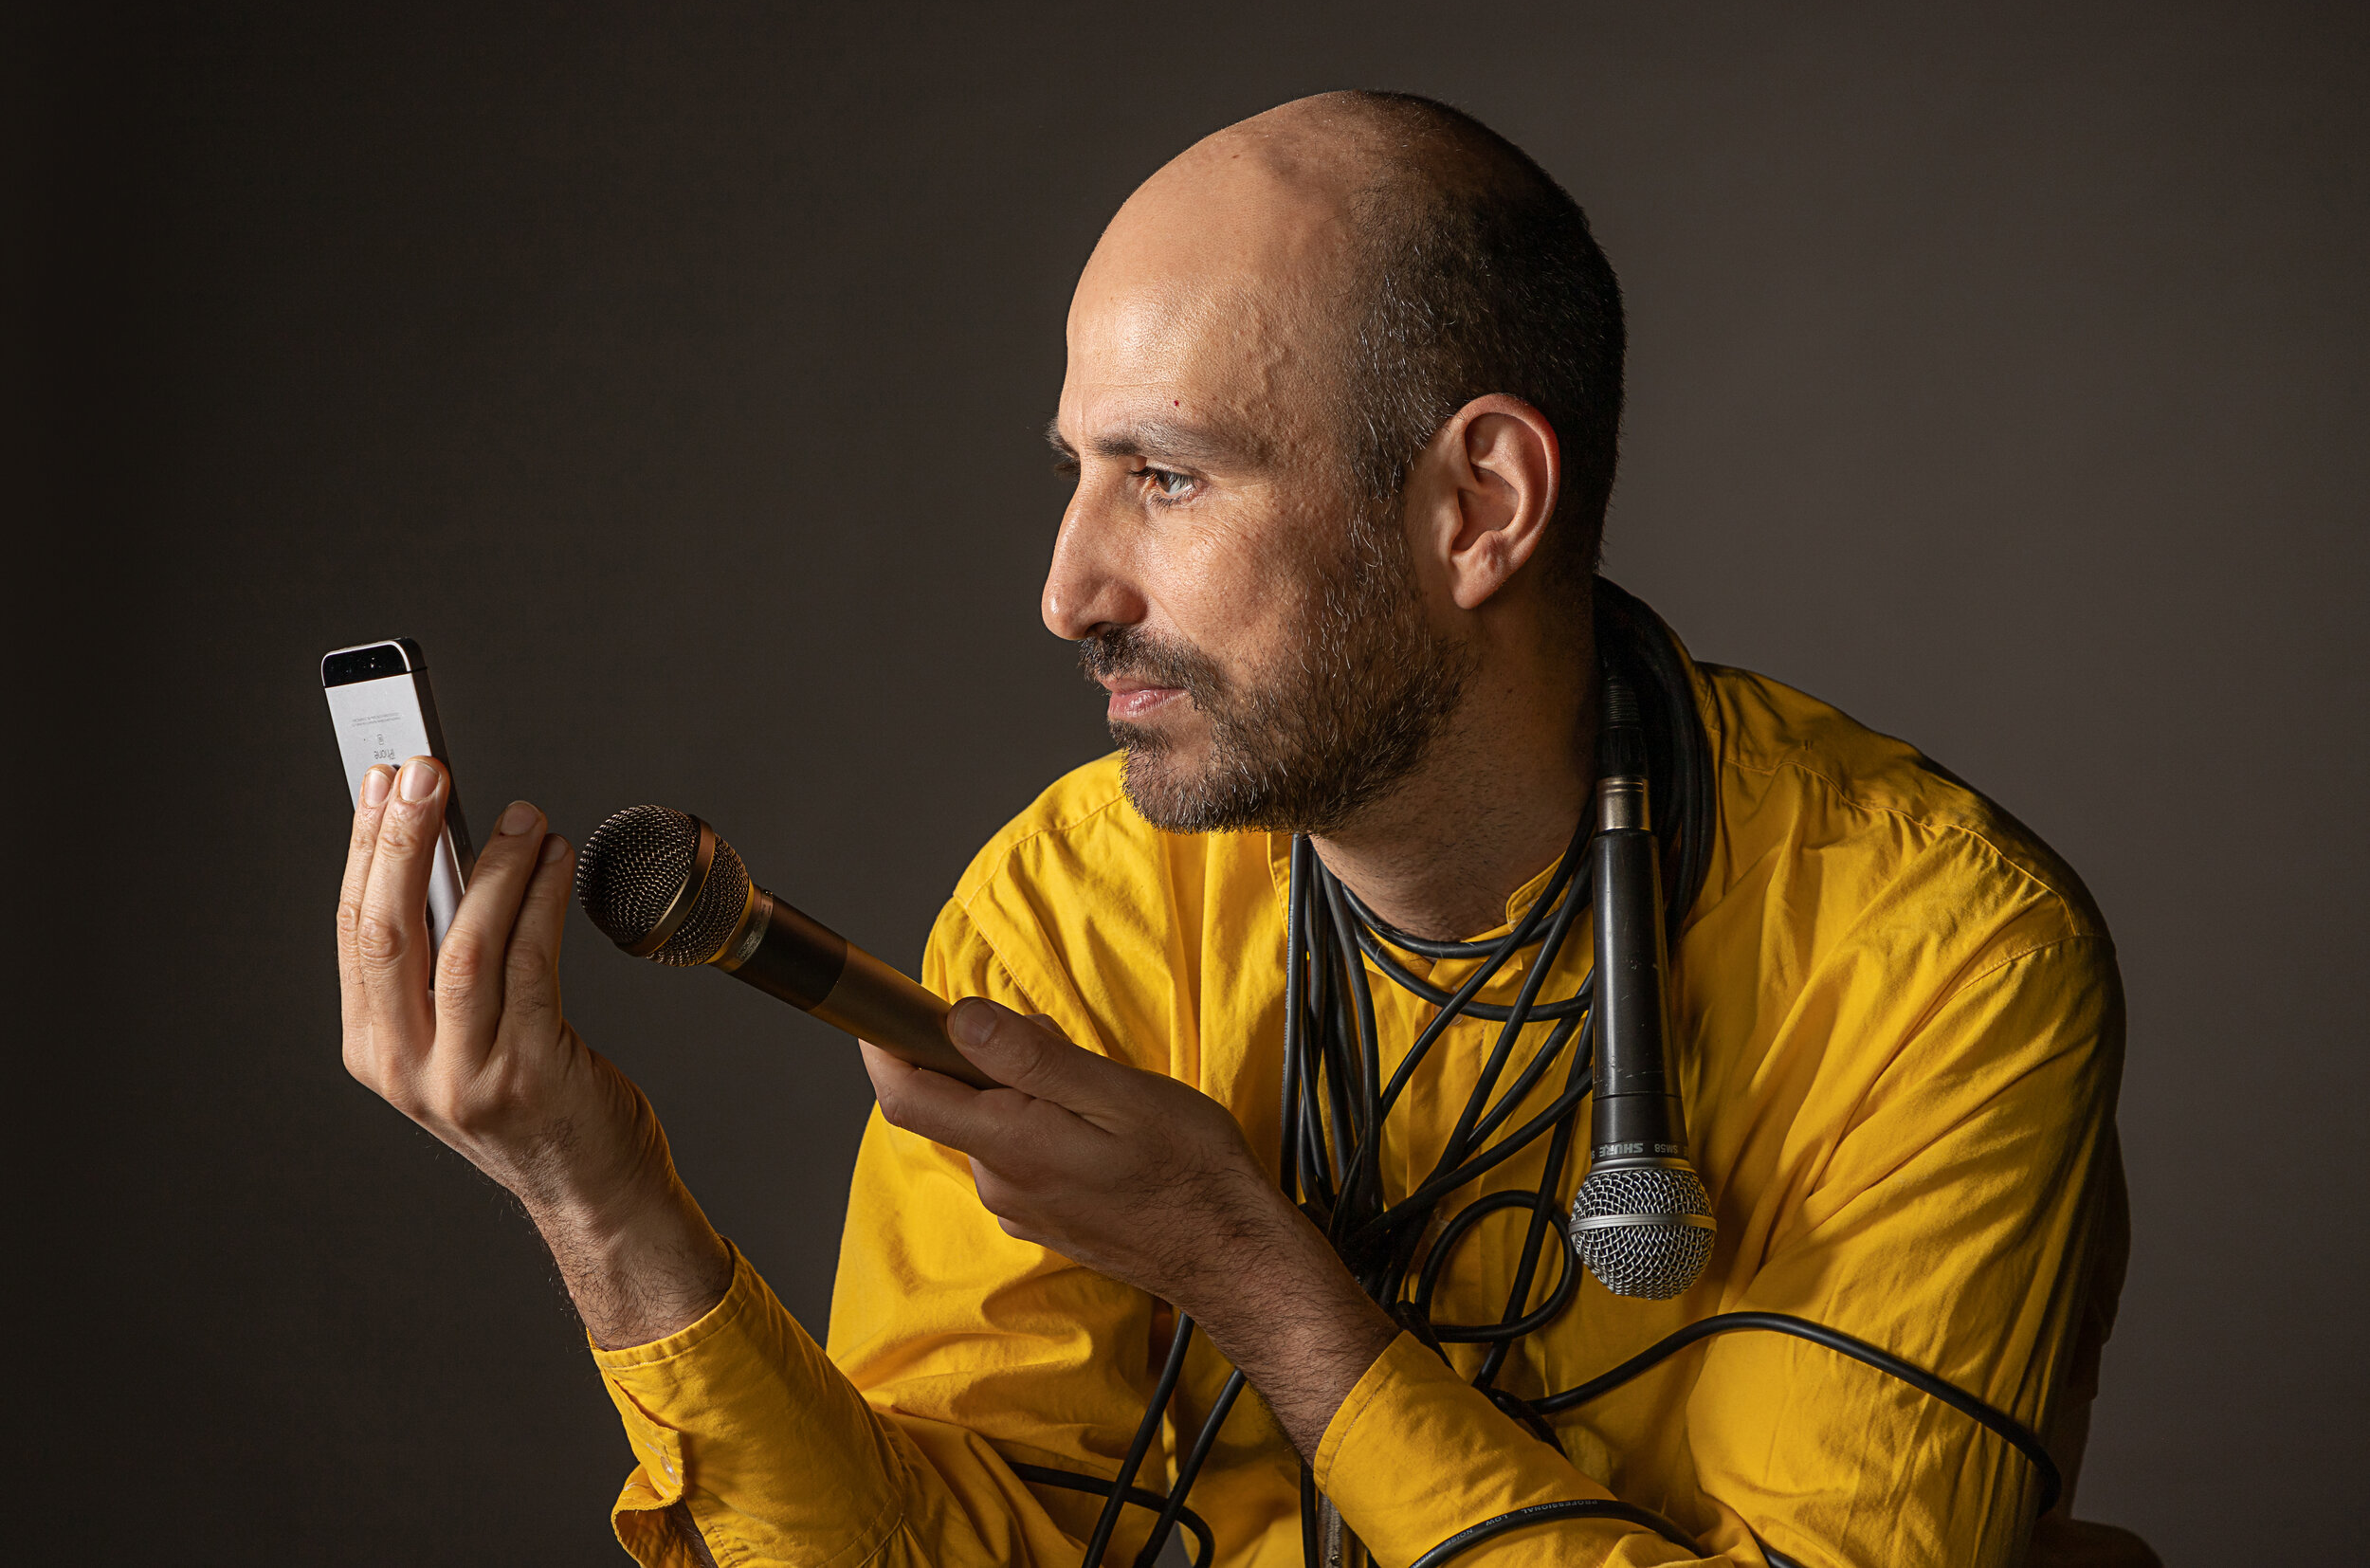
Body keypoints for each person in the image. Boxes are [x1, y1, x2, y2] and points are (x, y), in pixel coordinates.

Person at [335, 92, 2152, 1567]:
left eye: (1171, 476)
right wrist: (602, 1197)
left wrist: (1257, 1287)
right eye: (1076, 473)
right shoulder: (1068, 904)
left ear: (1479, 505)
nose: (1066, 589)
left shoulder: (1942, 961)